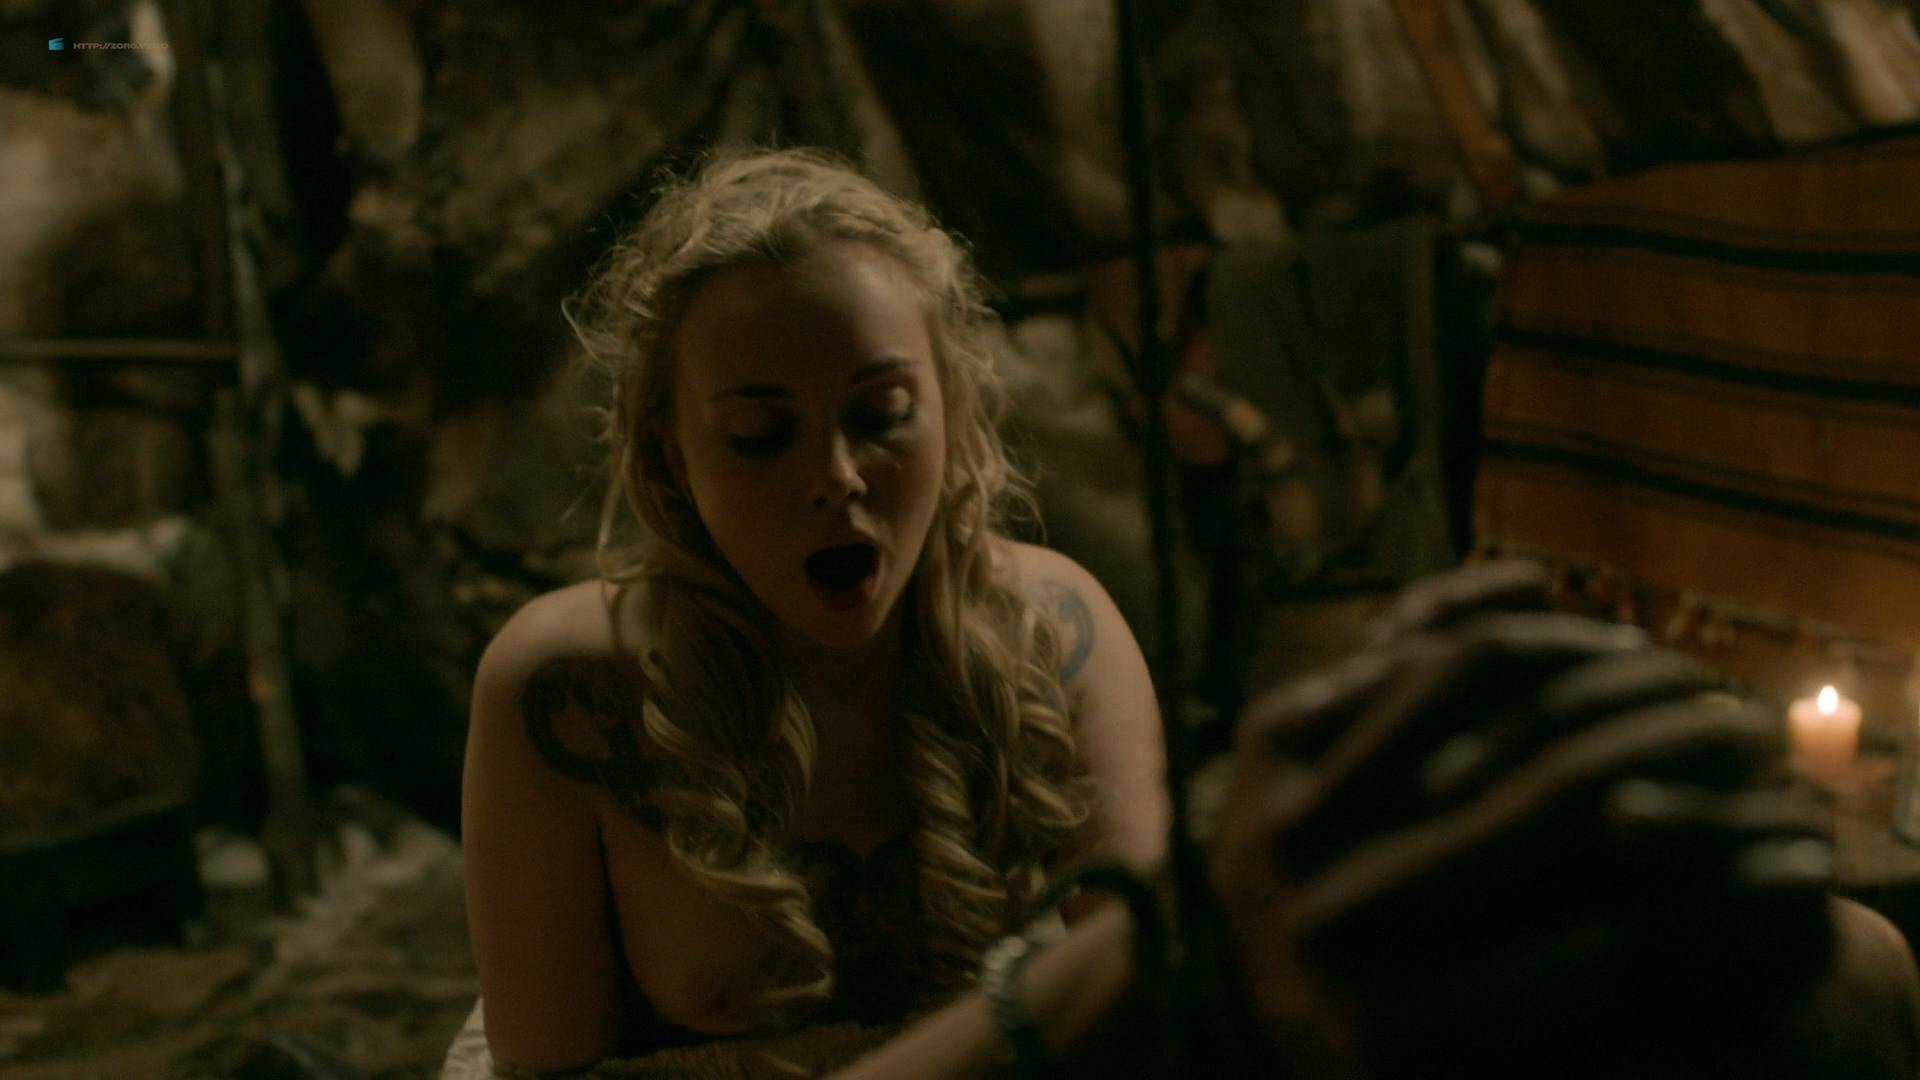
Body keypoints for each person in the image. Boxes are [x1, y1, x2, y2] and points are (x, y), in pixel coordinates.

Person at [458, 147, 1169, 1073]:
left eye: (882, 414)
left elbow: (1157, 1014)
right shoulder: (569, 694)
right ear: (672, 454)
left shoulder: (1056, 635)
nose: (835, 478)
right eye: (760, 435)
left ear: (951, 407)